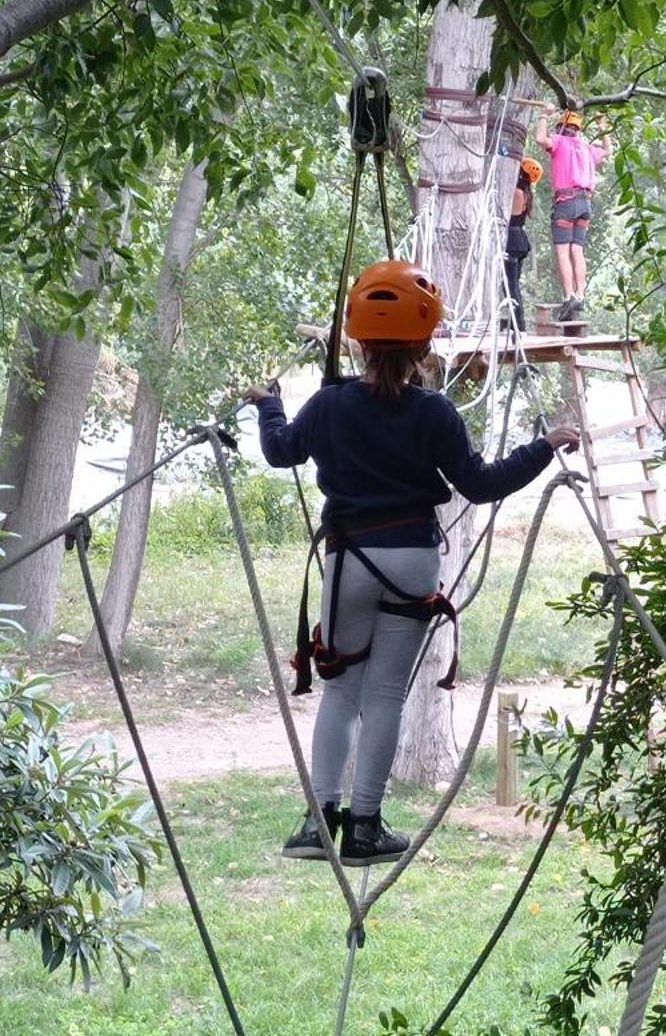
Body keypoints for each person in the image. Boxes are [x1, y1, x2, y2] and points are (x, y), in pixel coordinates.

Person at [245, 260, 578, 867]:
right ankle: (366, 829)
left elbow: (279, 451)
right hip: (411, 564)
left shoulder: (327, 405)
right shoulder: (434, 413)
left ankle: (321, 824)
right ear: (426, 341)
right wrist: (543, 448)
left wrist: (268, 405)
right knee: (388, 695)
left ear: (357, 337)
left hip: (350, 560)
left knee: (340, 692)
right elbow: (479, 484)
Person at [534, 109, 610, 321]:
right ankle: (581, 294)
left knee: (563, 252)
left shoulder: (559, 142)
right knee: (577, 250)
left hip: (566, 203)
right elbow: (608, 150)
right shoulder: (587, 147)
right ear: (577, 129)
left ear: (562, 128)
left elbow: (541, 138)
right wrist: (603, 127)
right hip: (585, 203)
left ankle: (569, 295)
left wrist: (543, 115)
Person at [504, 155, 542, 333]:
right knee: (512, 283)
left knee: (510, 284)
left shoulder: (517, 192)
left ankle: (518, 324)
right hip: (519, 239)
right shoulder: (525, 193)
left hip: (512, 240)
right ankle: (516, 323)